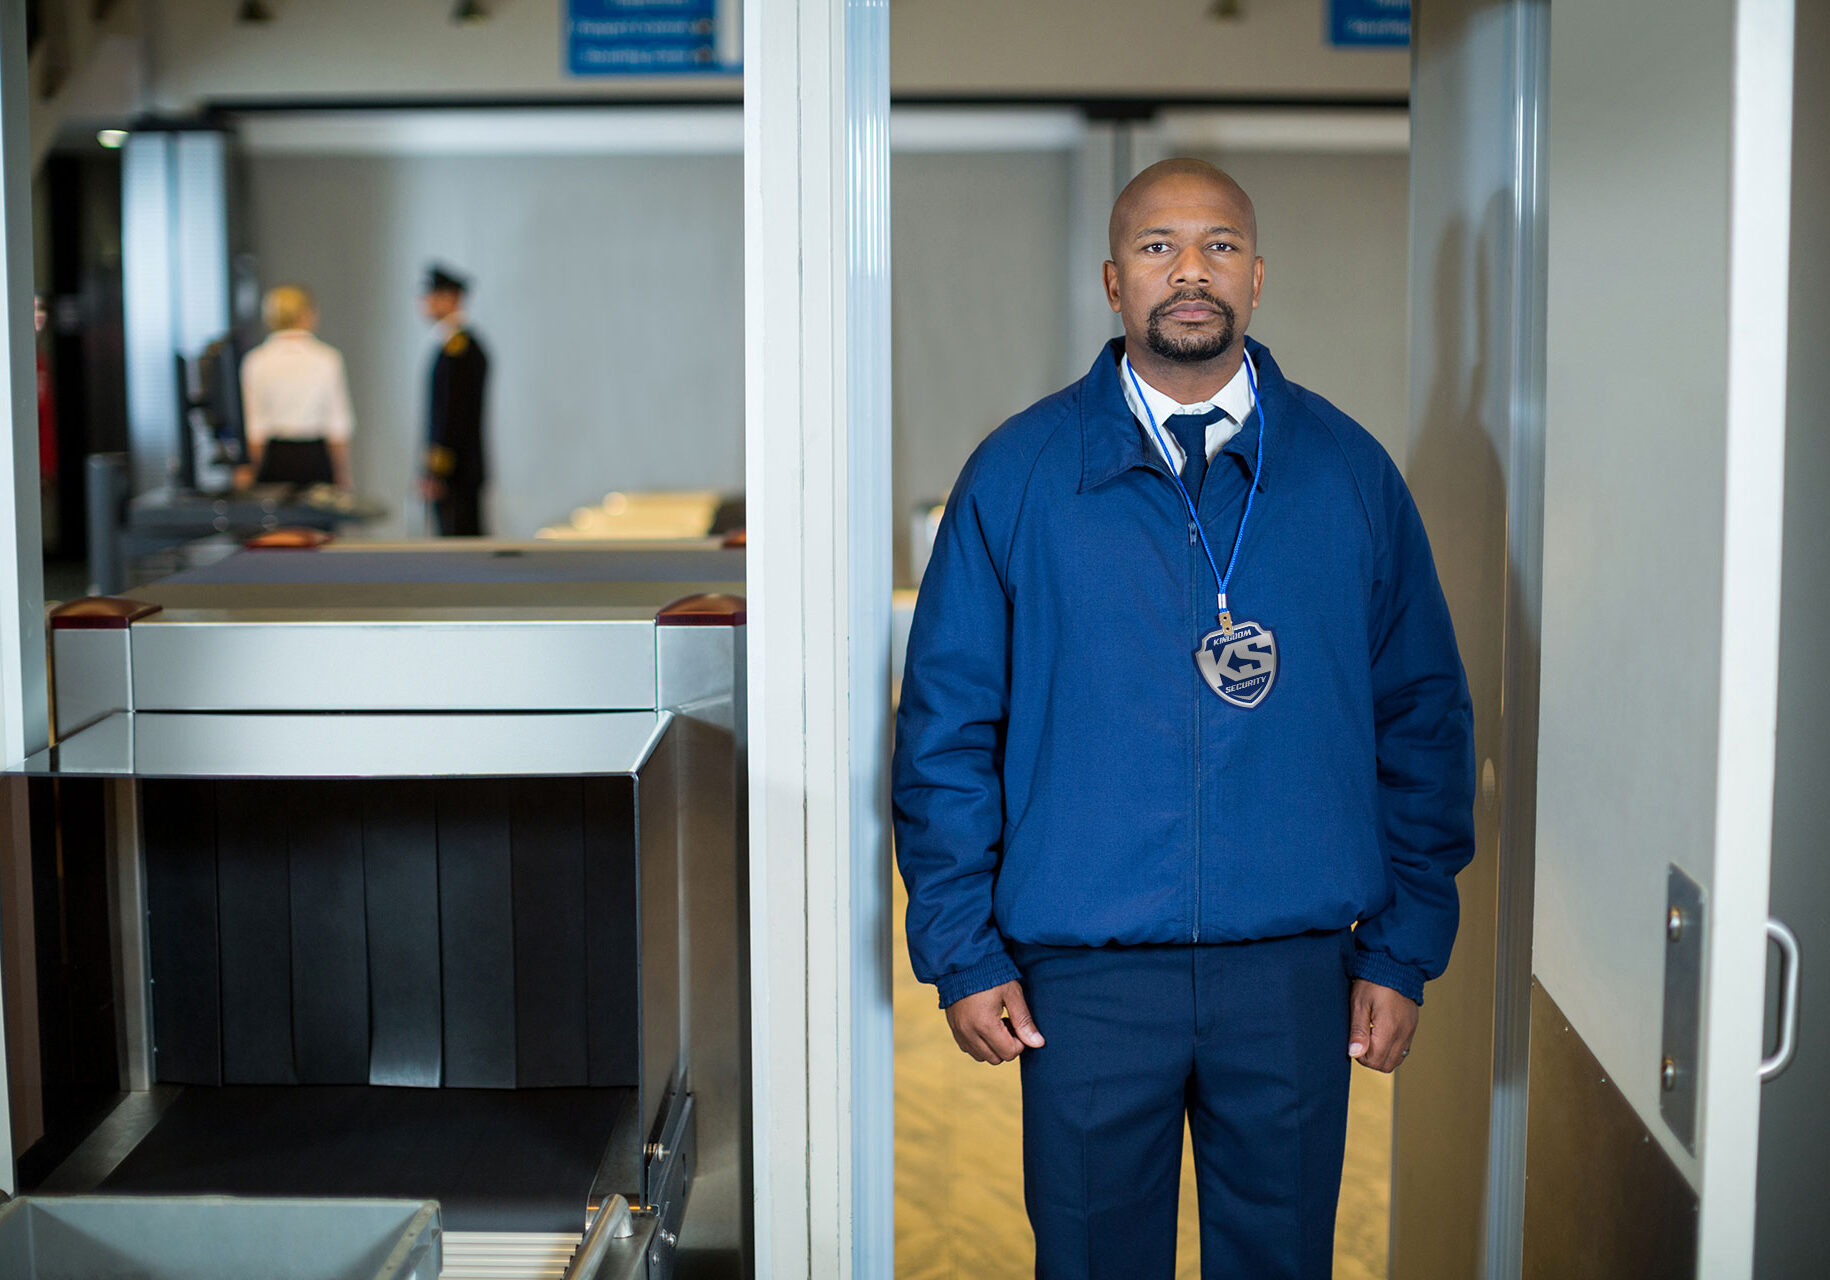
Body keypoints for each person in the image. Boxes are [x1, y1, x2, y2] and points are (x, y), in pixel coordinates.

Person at [892, 158, 1475, 1280]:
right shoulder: (1017, 476)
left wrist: (1403, 948)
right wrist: (960, 949)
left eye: (1218, 245)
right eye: (1159, 247)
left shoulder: (1350, 475)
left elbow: (1423, 720)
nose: (1190, 270)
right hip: (1084, 977)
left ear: (1258, 275)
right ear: (1114, 281)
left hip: (1297, 972)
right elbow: (946, 732)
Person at [237, 284, 355, 489]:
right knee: (314, 518)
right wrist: (342, 473)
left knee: (277, 519)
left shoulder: (257, 360)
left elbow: (254, 425)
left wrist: (249, 469)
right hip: (315, 457)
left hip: (274, 458)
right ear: (307, 314)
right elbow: (337, 425)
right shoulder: (326, 358)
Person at [419, 264, 489, 536]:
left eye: (432, 296)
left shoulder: (459, 349)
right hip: (460, 470)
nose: (425, 303)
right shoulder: (453, 346)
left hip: (458, 473)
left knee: (459, 547)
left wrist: (437, 471)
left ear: (450, 298)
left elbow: (451, 415)